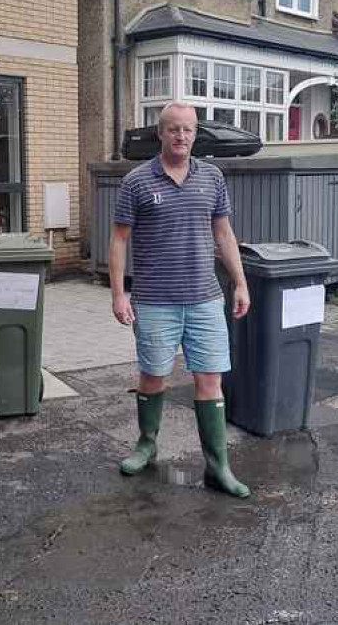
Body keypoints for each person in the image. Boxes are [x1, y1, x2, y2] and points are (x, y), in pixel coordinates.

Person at [109, 101, 251, 498]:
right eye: (174, 129)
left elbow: (224, 233)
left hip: (205, 298)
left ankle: (218, 466)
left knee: (210, 380)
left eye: (188, 129)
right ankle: (146, 444)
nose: (181, 136)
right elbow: (119, 240)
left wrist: (240, 283)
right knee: (153, 375)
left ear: (195, 133)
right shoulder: (136, 181)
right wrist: (119, 294)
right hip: (155, 300)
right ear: (161, 133)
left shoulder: (212, 177)